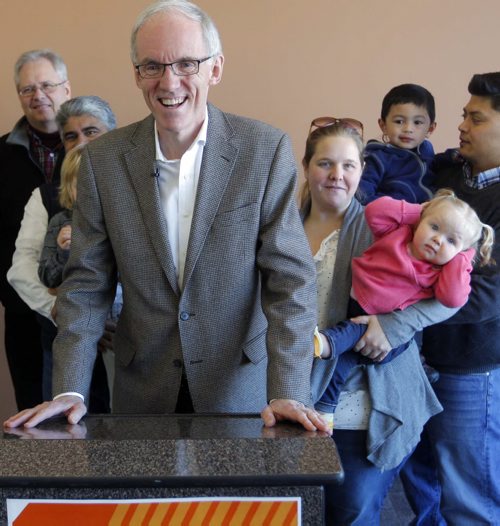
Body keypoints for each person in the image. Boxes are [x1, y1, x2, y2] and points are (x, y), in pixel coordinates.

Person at [4, 0, 328, 434]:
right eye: (152, 65)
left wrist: (287, 388)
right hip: (144, 392)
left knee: (232, 506)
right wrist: (70, 389)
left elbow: (290, 282)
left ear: (215, 69)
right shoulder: (103, 161)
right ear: (137, 74)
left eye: (187, 63)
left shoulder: (263, 151)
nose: (169, 80)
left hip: (241, 391)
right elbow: (85, 285)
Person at [301, 116, 455, 524]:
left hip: (363, 399)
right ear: (306, 166)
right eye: (325, 163)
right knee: (295, 509)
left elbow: (452, 296)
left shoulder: (385, 227)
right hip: (289, 392)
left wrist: (394, 327)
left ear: (362, 172)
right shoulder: (280, 227)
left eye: (349, 166)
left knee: (352, 510)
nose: (337, 175)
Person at [314, 190, 493, 425]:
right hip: (356, 306)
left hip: (384, 334)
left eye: (451, 241)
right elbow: (374, 211)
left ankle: (325, 342)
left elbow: (453, 298)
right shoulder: (397, 234)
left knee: (348, 335)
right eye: (435, 227)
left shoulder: (440, 273)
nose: (438, 239)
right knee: (340, 364)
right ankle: (325, 411)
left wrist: (461, 258)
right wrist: (420, 211)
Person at [409, 72, 500, 525]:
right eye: (465, 115)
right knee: (422, 491)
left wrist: (402, 311)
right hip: (414, 364)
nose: (462, 125)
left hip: (470, 371)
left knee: (470, 499)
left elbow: (486, 296)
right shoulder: (440, 173)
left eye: (476, 118)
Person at [7, 96, 118, 406]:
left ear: (114, 134)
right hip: (62, 334)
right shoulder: (47, 200)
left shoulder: (142, 190)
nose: (81, 142)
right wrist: (66, 313)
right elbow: (22, 271)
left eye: (91, 131)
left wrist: (110, 314)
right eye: (71, 135)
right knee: (67, 434)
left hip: (130, 341)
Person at [0, 49, 71, 410]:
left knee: (97, 418)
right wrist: (26, 301)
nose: (38, 95)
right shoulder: (1, 156)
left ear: (67, 89)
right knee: (33, 418)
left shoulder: (99, 148)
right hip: (24, 316)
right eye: (27, 89)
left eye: (46, 85)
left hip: (95, 322)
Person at [359, 83, 436, 205]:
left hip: (425, 214)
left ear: (430, 129)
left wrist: (453, 156)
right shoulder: (378, 157)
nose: (408, 129)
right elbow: (362, 194)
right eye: (399, 121)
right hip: (392, 217)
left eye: (417, 122)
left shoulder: (426, 149)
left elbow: (439, 165)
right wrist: (390, 208)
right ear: (383, 125)